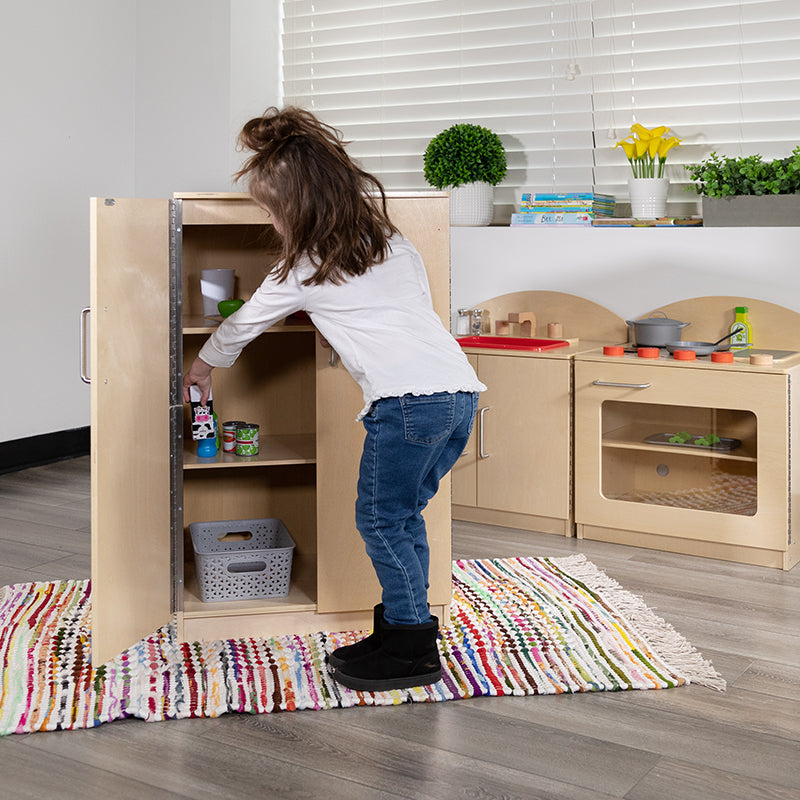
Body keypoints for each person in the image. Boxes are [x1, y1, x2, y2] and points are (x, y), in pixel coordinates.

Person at [182, 106, 486, 692]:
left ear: (295, 209)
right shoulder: (391, 243)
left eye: (270, 211)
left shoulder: (302, 265)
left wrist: (202, 365)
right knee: (401, 518)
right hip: (457, 393)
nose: (270, 221)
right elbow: (406, 313)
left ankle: (411, 651)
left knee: (378, 520)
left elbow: (243, 324)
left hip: (406, 403)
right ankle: (406, 627)